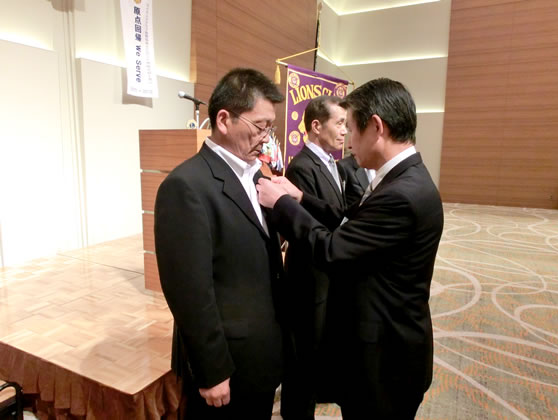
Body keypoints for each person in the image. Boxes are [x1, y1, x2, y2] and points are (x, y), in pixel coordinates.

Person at [256, 78, 444, 419]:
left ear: (377, 127)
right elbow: (350, 221)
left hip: (385, 362)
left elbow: (333, 249)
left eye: (352, 129)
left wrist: (281, 203)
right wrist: (301, 197)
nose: (348, 140)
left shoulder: (401, 195)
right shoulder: (403, 178)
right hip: (384, 346)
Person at [154, 68, 285, 420]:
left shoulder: (255, 175)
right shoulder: (186, 186)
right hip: (226, 362)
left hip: (260, 352)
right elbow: (189, 292)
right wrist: (212, 370)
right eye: (260, 127)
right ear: (224, 120)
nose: (266, 139)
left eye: (270, 128)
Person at [281, 96, 347, 420]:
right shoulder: (301, 167)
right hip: (308, 274)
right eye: (340, 123)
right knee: (303, 352)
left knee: (319, 344)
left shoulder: (333, 163)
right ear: (317, 126)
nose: (345, 131)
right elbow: (318, 221)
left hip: (326, 268)